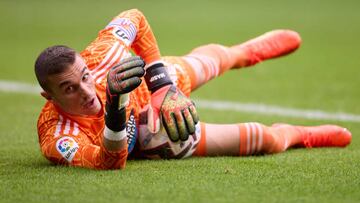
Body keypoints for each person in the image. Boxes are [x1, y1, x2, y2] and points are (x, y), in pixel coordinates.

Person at [35, 9, 351, 170]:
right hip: (149, 135)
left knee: (206, 61)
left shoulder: (102, 54)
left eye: (85, 78)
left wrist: (161, 87)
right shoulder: (58, 137)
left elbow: (136, 17)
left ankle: (241, 53)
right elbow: (107, 162)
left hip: (150, 89)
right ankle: (293, 134)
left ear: (87, 66)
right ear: (49, 98)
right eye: (69, 89)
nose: (86, 91)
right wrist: (116, 105)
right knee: (262, 140)